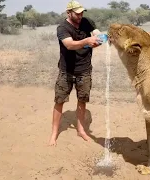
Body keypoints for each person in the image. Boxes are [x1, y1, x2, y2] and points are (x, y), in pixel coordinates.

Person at [48, 0, 103, 146]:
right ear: (69, 13)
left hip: (84, 70)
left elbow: (97, 34)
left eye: (81, 13)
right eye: (77, 13)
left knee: (82, 100)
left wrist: (100, 39)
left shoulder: (87, 22)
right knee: (59, 101)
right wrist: (87, 41)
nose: (80, 16)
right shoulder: (62, 28)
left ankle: (81, 129)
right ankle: (54, 133)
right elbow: (69, 44)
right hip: (66, 71)